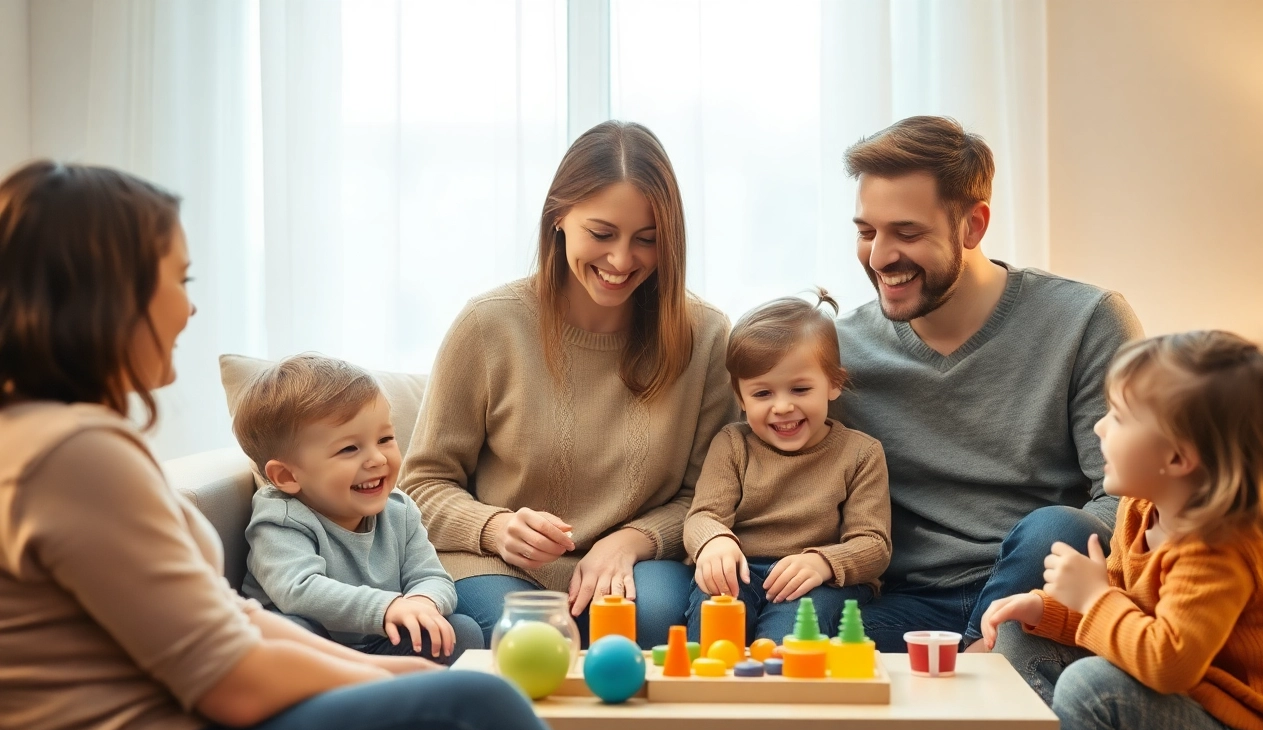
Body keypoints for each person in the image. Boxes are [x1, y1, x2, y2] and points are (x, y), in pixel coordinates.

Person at [0, 160, 572, 730]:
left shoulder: (59, 437)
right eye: (181, 282)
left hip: (176, 728)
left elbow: (227, 619)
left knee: (463, 687)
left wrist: (384, 667)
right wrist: (397, 686)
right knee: (478, 709)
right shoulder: (72, 455)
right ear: (113, 294)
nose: (190, 312)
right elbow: (230, 681)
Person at [401, 120, 737, 648]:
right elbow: (420, 487)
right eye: (601, 234)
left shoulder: (707, 336)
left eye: (647, 240)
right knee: (535, 642)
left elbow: (710, 495)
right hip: (496, 565)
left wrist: (632, 539)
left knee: (654, 623)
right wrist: (494, 527)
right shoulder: (490, 325)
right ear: (559, 216)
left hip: (634, 565)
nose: (622, 261)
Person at [830, 116, 1144, 651]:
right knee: (798, 628)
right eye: (866, 232)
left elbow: (1132, 500)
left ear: (973, 225)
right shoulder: (839, 351)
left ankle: (985, 664)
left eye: (906, 233)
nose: (880, 257)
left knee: (1055, 528)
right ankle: (980, 681)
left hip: (1037, 590)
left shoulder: (1088, 321)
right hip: (902, 602)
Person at [981, 330, 1263, 730]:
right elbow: (1124, 619)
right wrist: (1045, 609)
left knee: (1092, 685)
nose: (1099, 427)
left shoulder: (1221, 545)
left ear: (1177, 458)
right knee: (1020, 631)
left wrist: (1094, 595)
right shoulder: (1140, 510)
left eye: (1118, 417)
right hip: (1172, 705)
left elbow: (1168, 663)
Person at [235, 353, 484, 665]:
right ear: (287, 476)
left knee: (460, 632)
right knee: (284, 632)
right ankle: (354, 697)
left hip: (380, 645)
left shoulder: (399, 511)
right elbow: (299, 590)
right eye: (349, 448)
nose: (378, 459)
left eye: (385, 439)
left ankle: (390, 693)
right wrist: (387, 607)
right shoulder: (280, 519)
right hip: (317, 649)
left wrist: (423, 601)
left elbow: (432, 577)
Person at [683, 292, 891, 643]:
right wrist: (713, 542)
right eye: (762, 394)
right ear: (740, 397)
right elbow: (703, 516)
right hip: (742, 572)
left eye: (799, 389)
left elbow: (874, 545)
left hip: (816, 581)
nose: (782, 407)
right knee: (715, 620)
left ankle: (778, 696)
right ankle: (710, 696)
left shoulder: (861, 454)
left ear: (834, 384)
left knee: (788, 639)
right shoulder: (733, 444)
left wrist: (823, 563)